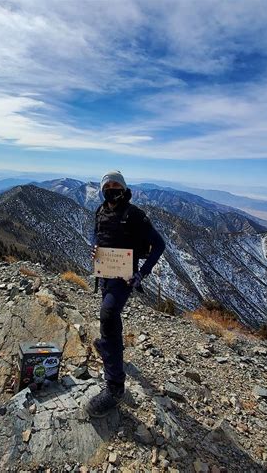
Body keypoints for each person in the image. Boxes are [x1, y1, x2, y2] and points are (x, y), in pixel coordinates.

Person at [85, 170, 166, 418]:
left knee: (108, 315)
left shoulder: (135, 215)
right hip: (106, 275)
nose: (111, 189)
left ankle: (115, 387)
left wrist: (142, 273)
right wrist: (95, 249)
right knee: (109, 319)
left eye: (115, 185)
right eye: (107, 185)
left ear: (123, 188)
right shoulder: (100, 211)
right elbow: (97, 235)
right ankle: (109, 346)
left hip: (124, 278)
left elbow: (159, 245)